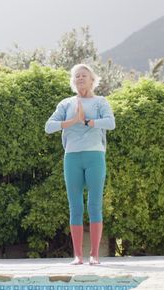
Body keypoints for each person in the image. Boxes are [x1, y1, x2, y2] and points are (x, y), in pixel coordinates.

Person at [44, 64, 115, 265]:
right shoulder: (65, 104)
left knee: (94, 205)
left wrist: (87, 122)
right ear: (73, 81)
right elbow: (48, 127)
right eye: (77, 76)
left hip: (95, 156)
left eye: (84, 75)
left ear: (92, 80)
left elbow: (111, 123)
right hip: (72, 157)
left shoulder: (100, 102)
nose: (80, 78)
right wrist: (72, 120)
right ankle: (78, 256)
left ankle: (94, 255)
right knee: (75, 206)